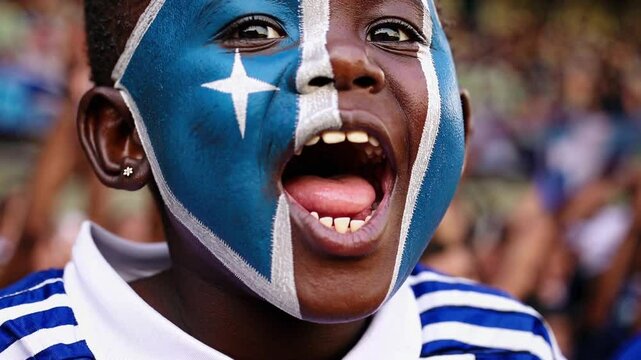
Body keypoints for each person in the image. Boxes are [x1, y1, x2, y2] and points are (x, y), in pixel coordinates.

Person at [0, 0, 565, 358]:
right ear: (122, 134)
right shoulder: (22, 346)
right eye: (255, 29)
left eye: (393, 31)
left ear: (459, 131)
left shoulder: (506, 343)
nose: (343, 60)